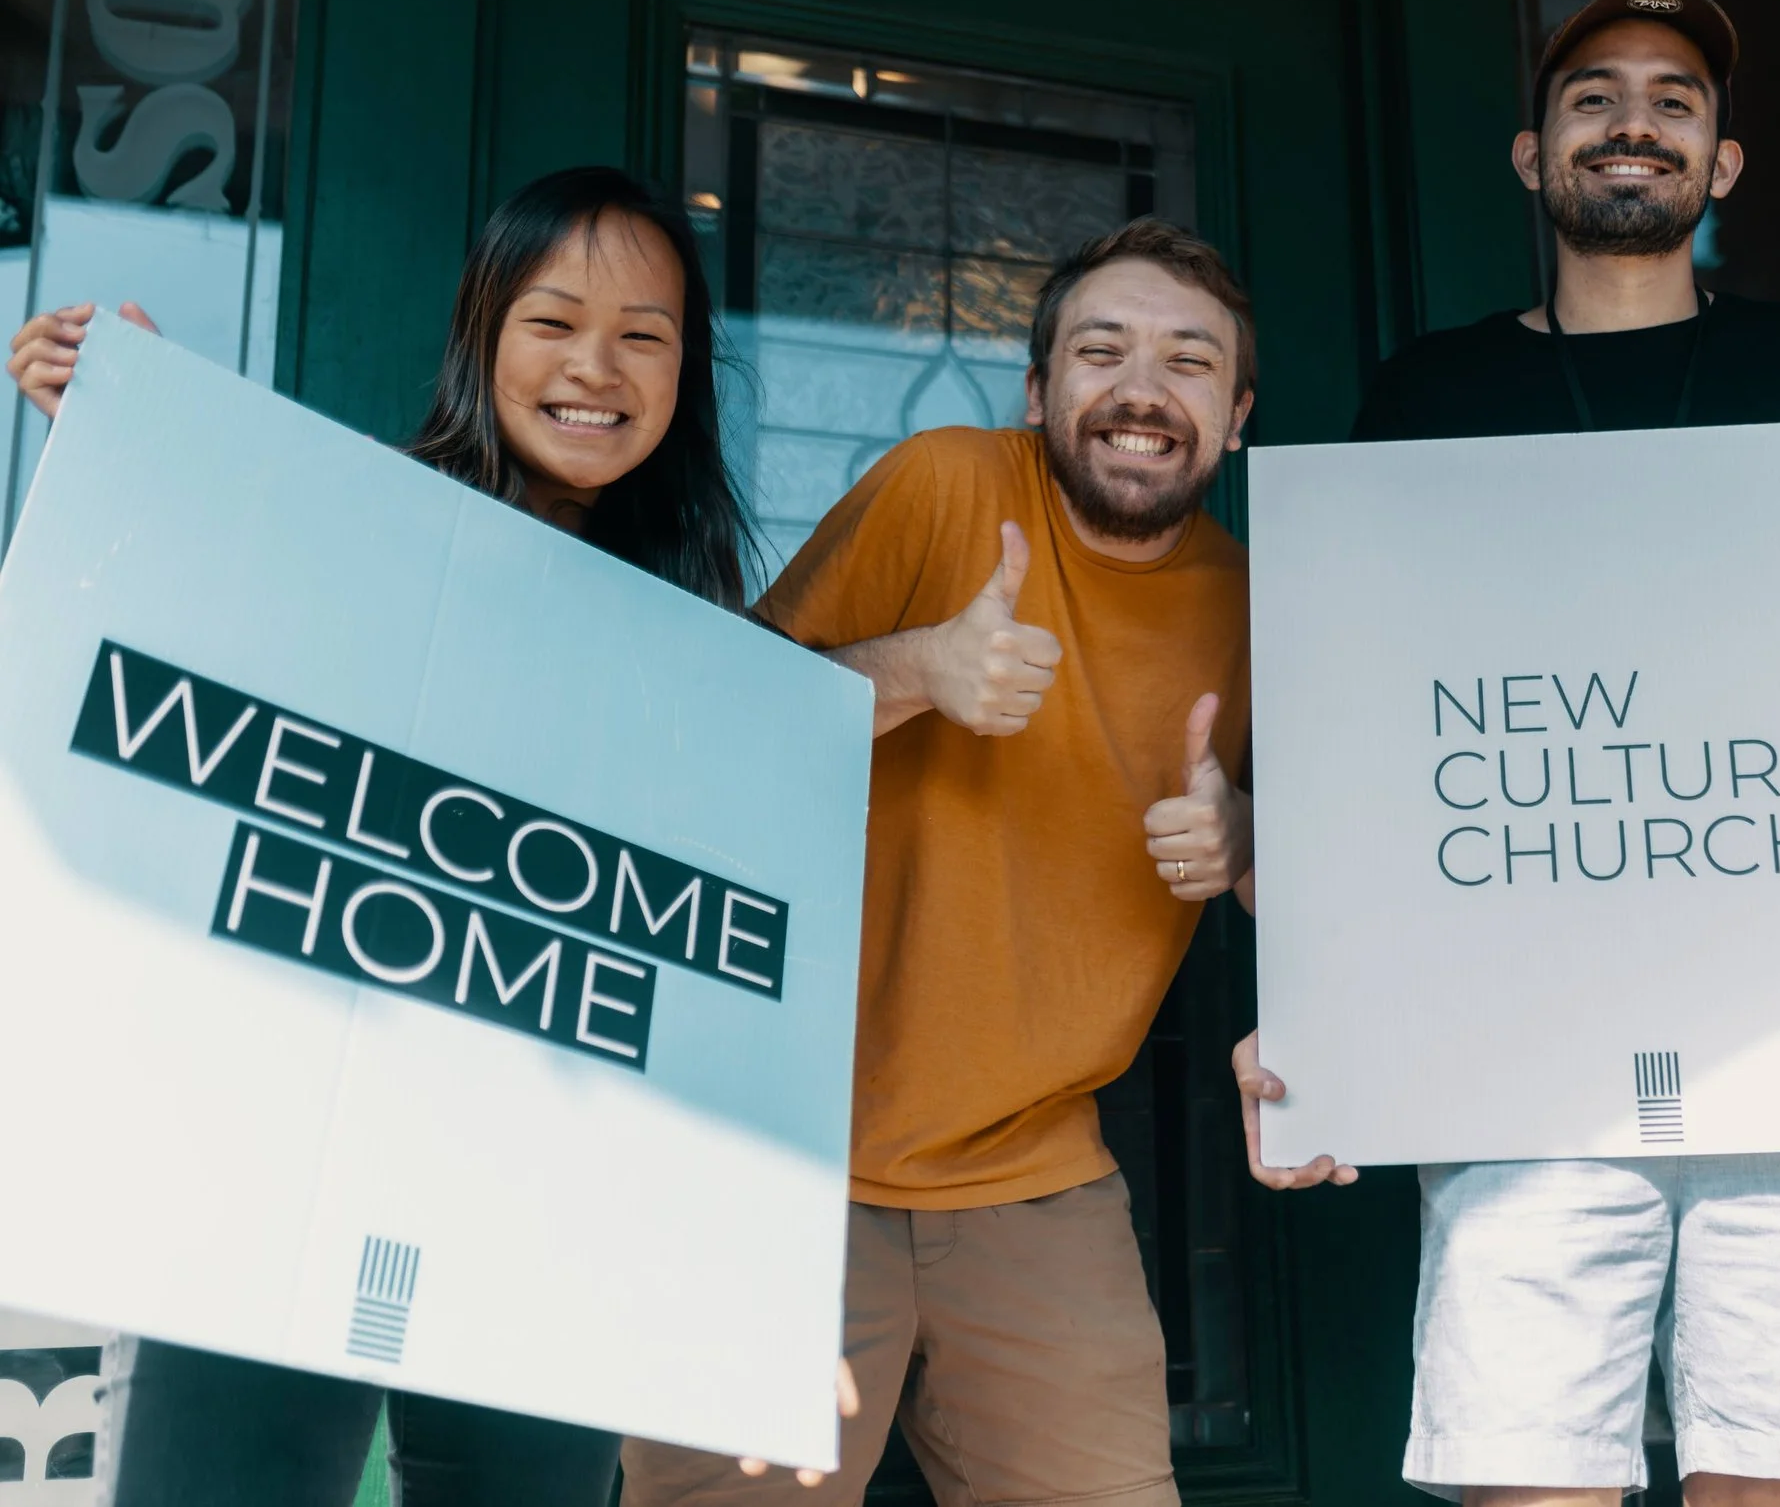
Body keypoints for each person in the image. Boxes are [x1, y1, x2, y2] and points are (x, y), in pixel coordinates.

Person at [1233, 0, 1780, 1507]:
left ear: (1724, 164)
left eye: (1674, 101)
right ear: (1528, 155)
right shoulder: (1433, 393)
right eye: (1594, 97)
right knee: (1527, 1467)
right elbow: (1373, 728)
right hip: (1519, 1037)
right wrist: (1323, 1024)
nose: (1634, 122)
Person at [5, 165, 858, 1505]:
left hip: (541, 1196)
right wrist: (140, 438)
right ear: (482, 334)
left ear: (685, 374)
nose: (598, 367)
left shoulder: (705, 655)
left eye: (645, 335)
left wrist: (758, 1273)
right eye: (553, 320)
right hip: (274, 1146)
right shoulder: (345, 529)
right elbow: (173, 703)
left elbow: (713, 987)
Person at [623, 216, 1256, 1507]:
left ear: (1237, 416)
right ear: (1038, 393)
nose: (1144, 389)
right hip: (775, 1155)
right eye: (1102, 349)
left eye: (1190, 362)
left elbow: (1357, 874)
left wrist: (1250, 833)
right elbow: (716, 729)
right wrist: (918, 668)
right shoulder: (947, 484)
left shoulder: (1261, 603)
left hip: (1038, 1174)